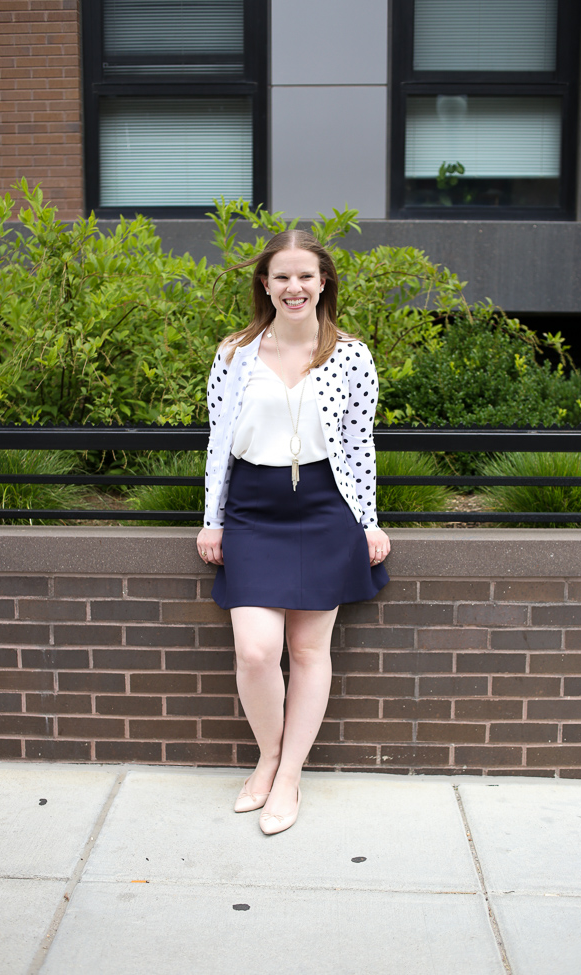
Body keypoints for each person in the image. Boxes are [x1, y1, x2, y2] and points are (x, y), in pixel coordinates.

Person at [196, 230, 390, 835]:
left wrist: (368, 520)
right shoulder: (234, 354)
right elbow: (218, 441)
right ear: (265, 284)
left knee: (308, 652)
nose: (294, 287)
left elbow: (359, 447)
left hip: (325, 509)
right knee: (256, 651)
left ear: (324, 281)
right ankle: (270, 753)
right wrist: (213, 518)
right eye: (281, 276)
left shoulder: (351, 356)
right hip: (254, 509)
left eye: (305, 275)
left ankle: (288, 775)